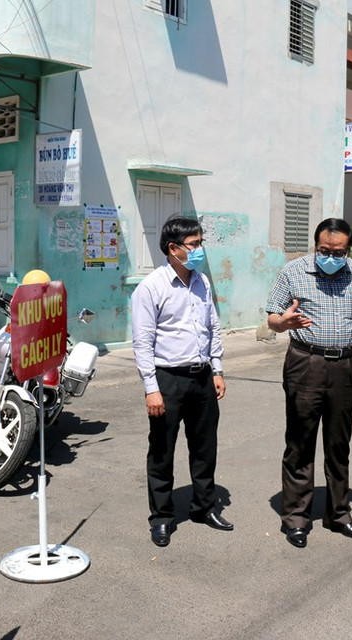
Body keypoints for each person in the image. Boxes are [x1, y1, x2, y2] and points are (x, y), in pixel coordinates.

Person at [265, 218, 352, 549]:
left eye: (338, 252)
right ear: (315, 246)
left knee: (338, 444)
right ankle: (296, 517)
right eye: (324, 251)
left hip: (346, 365)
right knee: (300, 441)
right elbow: (272, 318)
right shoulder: (293, 272)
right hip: (306, 363)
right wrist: (284, 322)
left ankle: (339, 514)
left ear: (349, 249)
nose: (331, 257)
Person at [131, 216, 232, 547]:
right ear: (173, 248)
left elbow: (213, 326)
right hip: (168, 379)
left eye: (201, 243)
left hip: (201, 377)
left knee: (205, 448)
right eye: (194, 244)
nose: (200, 249)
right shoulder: (151, 288)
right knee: (162, 450)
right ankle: (162, 517)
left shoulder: (202, 281)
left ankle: (204, 507)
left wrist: (217, 369)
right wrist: (151, 389)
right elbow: (142, 343)